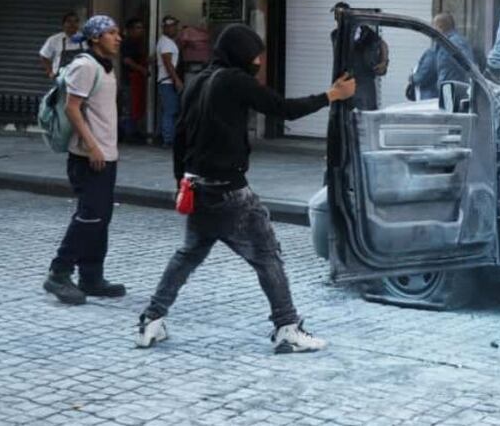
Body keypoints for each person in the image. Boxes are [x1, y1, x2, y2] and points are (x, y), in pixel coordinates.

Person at [136, 24, 357, 352]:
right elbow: (282, 108)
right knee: (267, 255)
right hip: (230, 192)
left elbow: (180, 139)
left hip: (197, 187)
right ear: (240, 54)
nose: (258, 62)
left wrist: (180, 183)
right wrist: (332, 95)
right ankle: (287, 327)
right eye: (255, 55)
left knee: (188, 255)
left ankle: (150, 321)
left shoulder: (196, 82)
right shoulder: (235, 81)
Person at [42, 15, 126, 305]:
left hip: (105, 153)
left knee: (101, 216)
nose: (118, 37)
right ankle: (59, 272)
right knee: (90, 215)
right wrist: (92, 147)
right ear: (94, 38)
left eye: (118, 32)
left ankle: (91, 276)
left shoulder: (105, 66)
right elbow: (72, 108)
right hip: (88, 156)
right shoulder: (85, 65)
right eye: (111, 33)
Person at [330, 1, 388, 111]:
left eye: (339, 15)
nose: (336, 19)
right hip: (345, 82)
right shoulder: (335, 35)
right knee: (344, 117)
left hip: (364, 82)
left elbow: (382, 44)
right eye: (335, 16)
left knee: (368, 114)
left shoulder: (365, 32)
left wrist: (384, 62)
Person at [409, 12, 474, 100]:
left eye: (433, 27)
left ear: (440, 27)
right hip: (457, 91)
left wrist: (413, 78)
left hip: (451, 93)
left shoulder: (448, 44)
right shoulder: (458, 41)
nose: (432, 30)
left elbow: (429, 68)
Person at [156, 16, 183, 148]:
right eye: (172, 26)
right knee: (170, 111)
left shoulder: (165, 42)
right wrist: (176, 80)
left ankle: (167, 136)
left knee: (169, 110)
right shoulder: (166, 42)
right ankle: (168, 139)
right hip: (167, 82)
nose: (175, 28)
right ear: (165, 27)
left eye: (175, 25)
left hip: (166, 81)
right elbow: (168, 63)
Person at [120, 18, 149, 142]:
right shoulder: (127, 43)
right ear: (130, 30)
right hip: (130, 79)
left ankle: (135, 131)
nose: (141, 30)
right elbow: (127, 60)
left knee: (137, 106)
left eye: (142, 28)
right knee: (130, 106)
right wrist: (141, 69)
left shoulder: (138, 43)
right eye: (137, 28)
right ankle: (128, 133)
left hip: (138, 79)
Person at [39, 12, 87, 79]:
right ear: (63, 24)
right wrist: (50, 72)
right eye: (69, 21)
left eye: (75, 21)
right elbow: (43, 55)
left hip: (81, 78)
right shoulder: (54, 39)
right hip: (61, 79)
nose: (72, 24)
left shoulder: (85, 39)